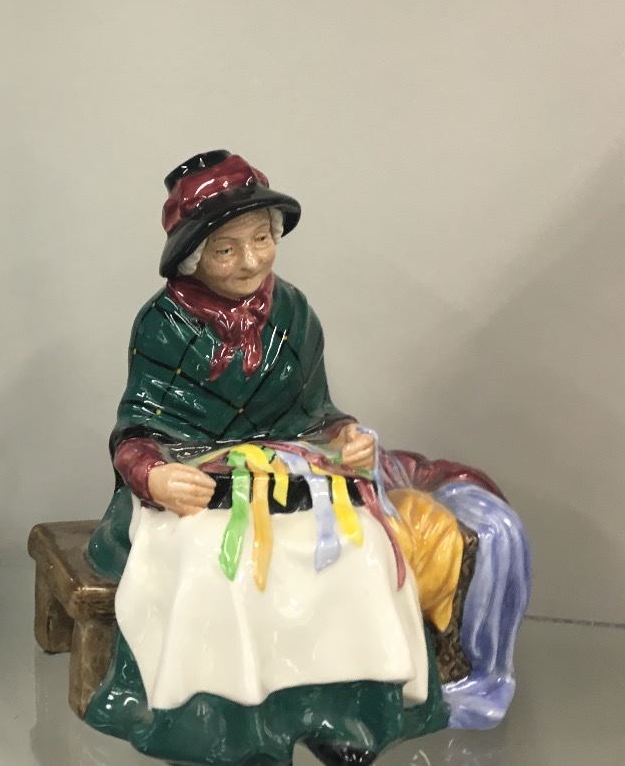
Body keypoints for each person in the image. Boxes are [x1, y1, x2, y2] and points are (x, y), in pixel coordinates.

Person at [84, 151, 529, 765]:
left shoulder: (292, 311)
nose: (251, 260)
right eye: (226, 249)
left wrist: (346, 438)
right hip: (194, 491)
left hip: (289, 484)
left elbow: (315, 412)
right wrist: (155, 476)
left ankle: (345, 715)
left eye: (262, 240)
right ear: (193, 257)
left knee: (362, 551)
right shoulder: (162, 325)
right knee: (220, 567)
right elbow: (136, 429)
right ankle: (232, 731)